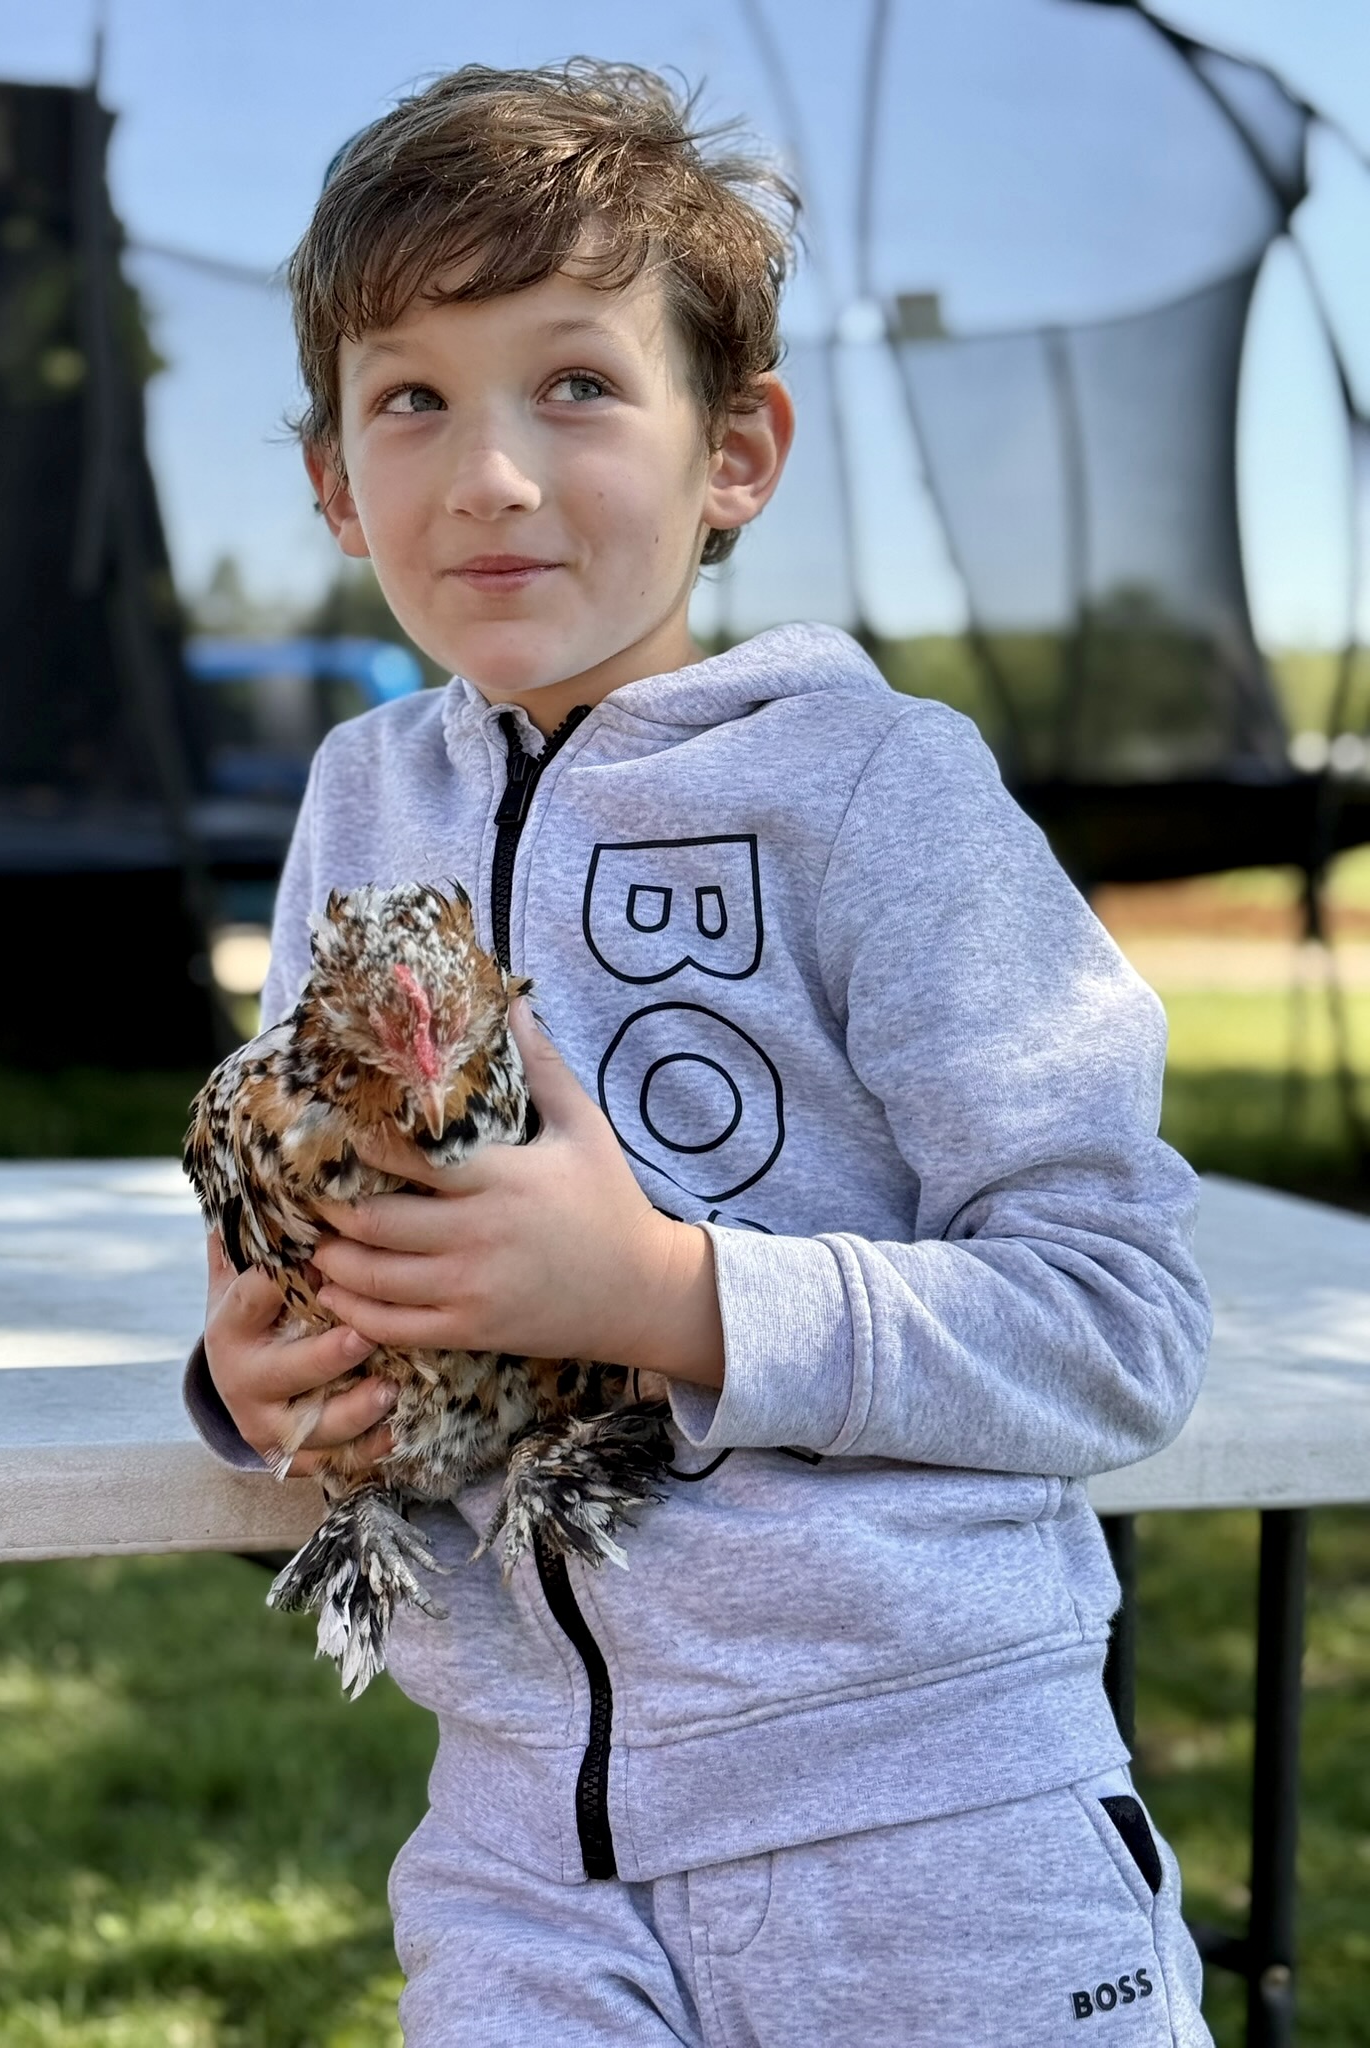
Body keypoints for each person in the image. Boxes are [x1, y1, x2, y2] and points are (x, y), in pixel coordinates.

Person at [185, 60, 1215, 2046]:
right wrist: (263, 1367)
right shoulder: (357, 799)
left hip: (932, 1815)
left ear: (736, 449)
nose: (487, 472)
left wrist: (670, 1295)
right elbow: (305, 1204)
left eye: (575, 383)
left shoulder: (880, 789)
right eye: (411, 398)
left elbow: (1117, 1321)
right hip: (521, 1849)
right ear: (332, 483)